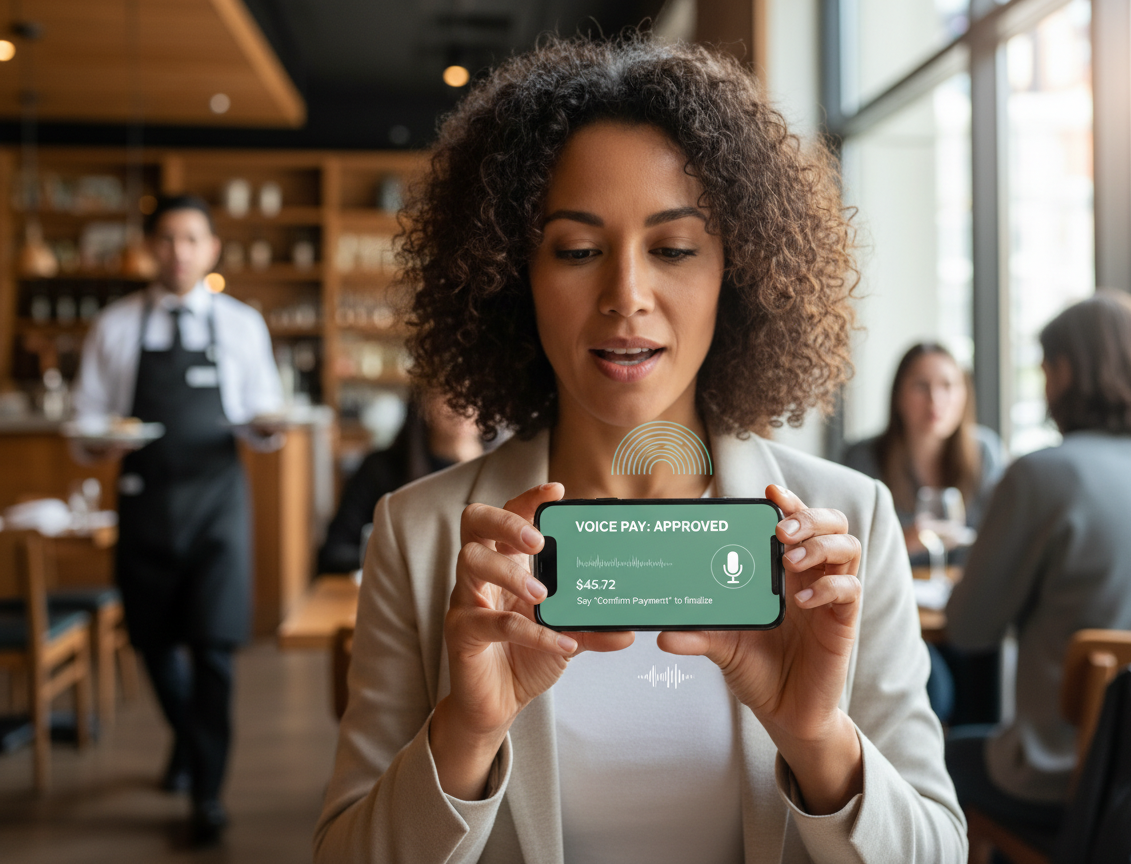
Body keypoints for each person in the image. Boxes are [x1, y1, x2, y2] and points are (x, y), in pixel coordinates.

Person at [315, 35, 965, 863]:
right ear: (516, 277)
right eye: (578, 250)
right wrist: (465, 736)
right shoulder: (424, 535)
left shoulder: (846, 527)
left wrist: (816, 739)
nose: (626, 294)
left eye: (674, 248)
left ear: (740, 270)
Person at [72, 194, 285, 845]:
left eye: (192, 238)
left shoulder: (243, 325)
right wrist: (99, 441)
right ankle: (192, 741)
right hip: (145, 501)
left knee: (214, 653)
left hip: (219, 505)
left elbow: (265, 417)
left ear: (212, 248)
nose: (179, 251)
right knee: (153, 645)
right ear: (149, 248)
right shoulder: (114, 326)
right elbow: (85, 423)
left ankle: (207, 793)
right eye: (166, 239)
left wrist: (270, 428)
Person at [944, 292, 1131, 836]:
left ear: (1068, 370)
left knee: (931, 760)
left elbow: (969, 628)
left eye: (1047, 369)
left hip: (1062, 781)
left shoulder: (1044, 476)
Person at [843, 342, 1007, 564]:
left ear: (965, 395)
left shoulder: (985, 452)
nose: (935, 401)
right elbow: (848, 549)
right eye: (921, 386)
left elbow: (1003, 538)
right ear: (898, 395)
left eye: (947, 385)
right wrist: (902, 540)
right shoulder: (862, 458)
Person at [316, 391, 484, 574]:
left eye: (476, 391)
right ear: (424, 402)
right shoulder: (379, 469)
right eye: (450, 391)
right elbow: (335, 552)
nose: (466, 405)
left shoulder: (499, 474)